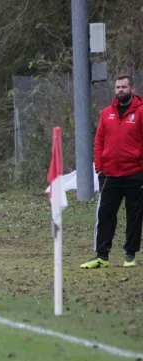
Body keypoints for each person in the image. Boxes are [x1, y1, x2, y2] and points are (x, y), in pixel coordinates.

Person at [81, 74, 143, 269]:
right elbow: (99, 141)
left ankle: (130, 255)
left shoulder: (140, 112)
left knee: (134, 216)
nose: (120, 90)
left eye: (124, 87)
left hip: (135, 173)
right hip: (110, 174)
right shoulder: (106, 113)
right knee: (105, 215)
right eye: (117, 87)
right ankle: (101, 256)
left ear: (132, 89)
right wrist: (100, 167)